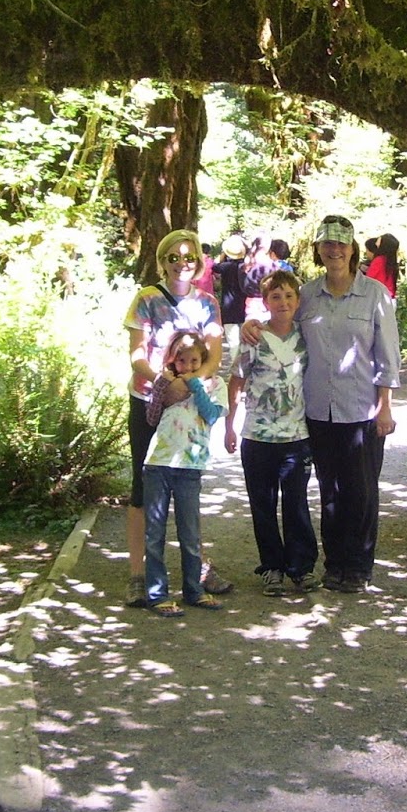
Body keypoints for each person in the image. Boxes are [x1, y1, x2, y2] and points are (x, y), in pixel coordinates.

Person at [245, 214, 400, 594]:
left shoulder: (375, 295)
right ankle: (334, 564)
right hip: (315, 410)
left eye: (341, 243)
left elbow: (388, 355)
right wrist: (253, 326)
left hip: (361, 407)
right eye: (327, 243)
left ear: (352, 249)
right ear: (318, 249)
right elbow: (279, 319)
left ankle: (358, 566)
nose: (334, 250)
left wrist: (386, 406)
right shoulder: (308, 293)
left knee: (361, 490)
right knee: (329, 491)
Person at [124, 229, 231, 608]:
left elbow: (214, 356)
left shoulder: (207, 304)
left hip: (188, 402)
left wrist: (187, 385)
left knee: (187, 482)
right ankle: (139, 575)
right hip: (150, 399)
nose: (181, 263)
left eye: (188, 257)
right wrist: (161, 381)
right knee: (144, 485)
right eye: (173, 257)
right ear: (162, 260)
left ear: (199, 261)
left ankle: (196, 569)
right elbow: (137, 353)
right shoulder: (147, 299)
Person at [225, 270, 319, 595]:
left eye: (289, 296)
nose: (283, 302)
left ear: (298, 300)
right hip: (257, 437)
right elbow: (236, 380)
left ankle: (301, 567)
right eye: (275, 297)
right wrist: (229, 424)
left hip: (296, 437)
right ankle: (272, 567)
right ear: (265, 302)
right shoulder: (254, 339)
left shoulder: (307, 338)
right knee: (262, 505)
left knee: (296, 503)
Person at [142, 332, 227, 617]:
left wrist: (195, 386)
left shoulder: (215, 384)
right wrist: (164, 385)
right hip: (159, 463)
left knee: (190, 534)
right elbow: (151, 417)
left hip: (190, 467)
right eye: (182, 360)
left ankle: (194, 589)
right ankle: (157, 594)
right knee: (155, 533)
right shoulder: (166, 382)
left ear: (202, 360)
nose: (188, 366)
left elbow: (212, 415)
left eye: (194, 360)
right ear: (173, 360)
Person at [211, 234, 250, 366]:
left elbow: (214, 266)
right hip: (245, 308)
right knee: (246, 341)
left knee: (233, 343)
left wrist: (222, 256)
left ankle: (236, 368)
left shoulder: (225, 267)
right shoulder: (246, 266)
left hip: (229, 309)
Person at [365, 233, 399, 300]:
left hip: (379, 297)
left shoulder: (379, 260)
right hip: (389, 297)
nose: (377, 242)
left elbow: (368, 279)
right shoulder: (391, 262)